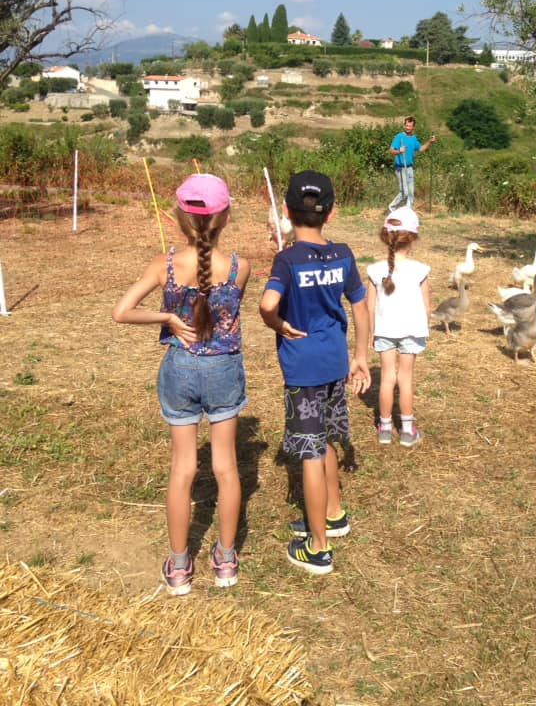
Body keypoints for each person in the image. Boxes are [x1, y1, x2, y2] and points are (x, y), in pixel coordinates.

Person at [112, 174, 250, 596]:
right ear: (225, 217)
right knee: (226, 468)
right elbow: (221, 307)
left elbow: (122, 312)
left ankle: (177, 566)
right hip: (224, 368)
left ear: (178, 219)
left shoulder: (163, 266)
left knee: (183, 469)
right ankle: (225, 560)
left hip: (179, 369)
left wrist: (169, 319)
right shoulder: (242, 267)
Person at [259, 171, 370, 575]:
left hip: (303, 369)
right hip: (335, 363)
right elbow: (360, 304)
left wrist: (276, 323)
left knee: (308, 450)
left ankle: (318, 547)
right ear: (332, 212)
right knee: (323, 438)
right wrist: (361, 355)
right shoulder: (344, 253)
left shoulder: (287, 260)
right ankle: (334, 515)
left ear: (287, 211)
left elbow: (267, 303)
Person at [366, 206, 430, 448]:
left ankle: (384, 428)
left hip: (383, 331)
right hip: (411, 332)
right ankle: (407, 430)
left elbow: (370, 307)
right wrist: (423, 327)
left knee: (386, 379)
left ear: (386, 237)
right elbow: (426, 307)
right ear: (412, 238)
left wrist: (372, 332)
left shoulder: (374, 270)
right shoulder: (420, 270)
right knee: (406, 378)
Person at [388, 116, 436, 211]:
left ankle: (408, 212)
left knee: (410, 194)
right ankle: (391, 209)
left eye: (409, 126)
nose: (407, 128)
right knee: (404, 193)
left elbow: (421, 149)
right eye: (406, 125)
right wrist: (399, 151)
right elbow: (391, 150)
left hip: (409, 168)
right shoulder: (399, 137)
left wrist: (430, 142)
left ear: (413, 127)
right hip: (400, 168)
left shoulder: (413, 138)